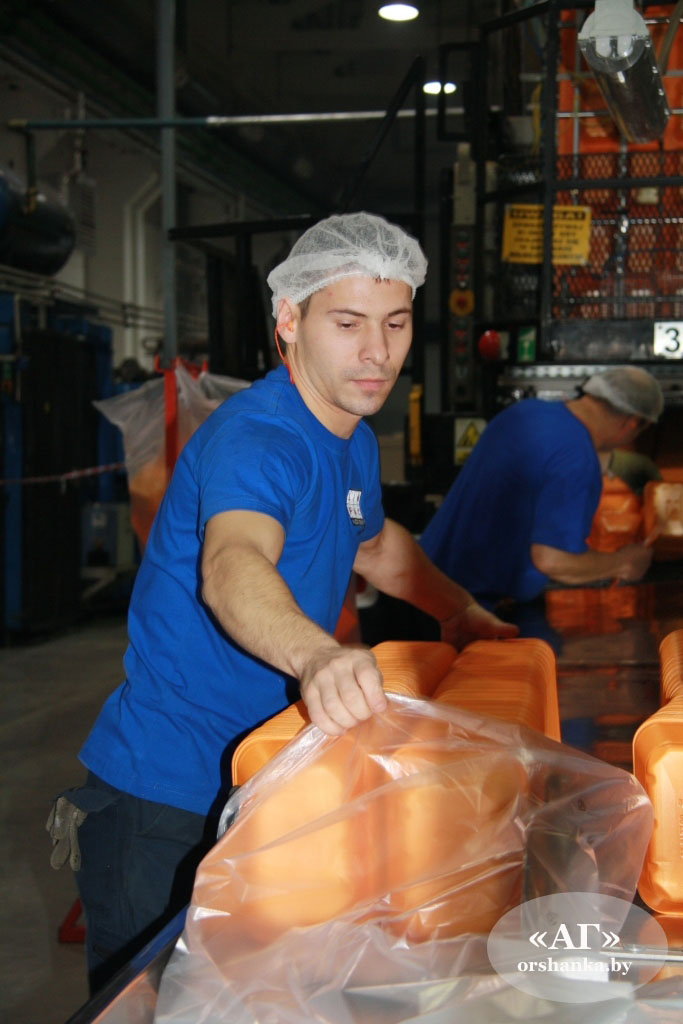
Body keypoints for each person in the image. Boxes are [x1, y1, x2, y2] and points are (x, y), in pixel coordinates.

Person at [50, 212, 517, 992]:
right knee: (153, 1006)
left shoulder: (348, 435)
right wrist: (317, 657)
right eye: (348, 323)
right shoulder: (260, 439)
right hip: (166, 802)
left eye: (395, 322)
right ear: (289, 321)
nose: (377, 352)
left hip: (264, 779)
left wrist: (458, 611)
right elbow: (232, 563)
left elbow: (374, 544)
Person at [420, 365, 664, 611]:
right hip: (461, 607)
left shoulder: (526, 411)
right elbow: (552, 560)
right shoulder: (577, 456)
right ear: (631, 424)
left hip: (425, 580)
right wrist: (622, 562)